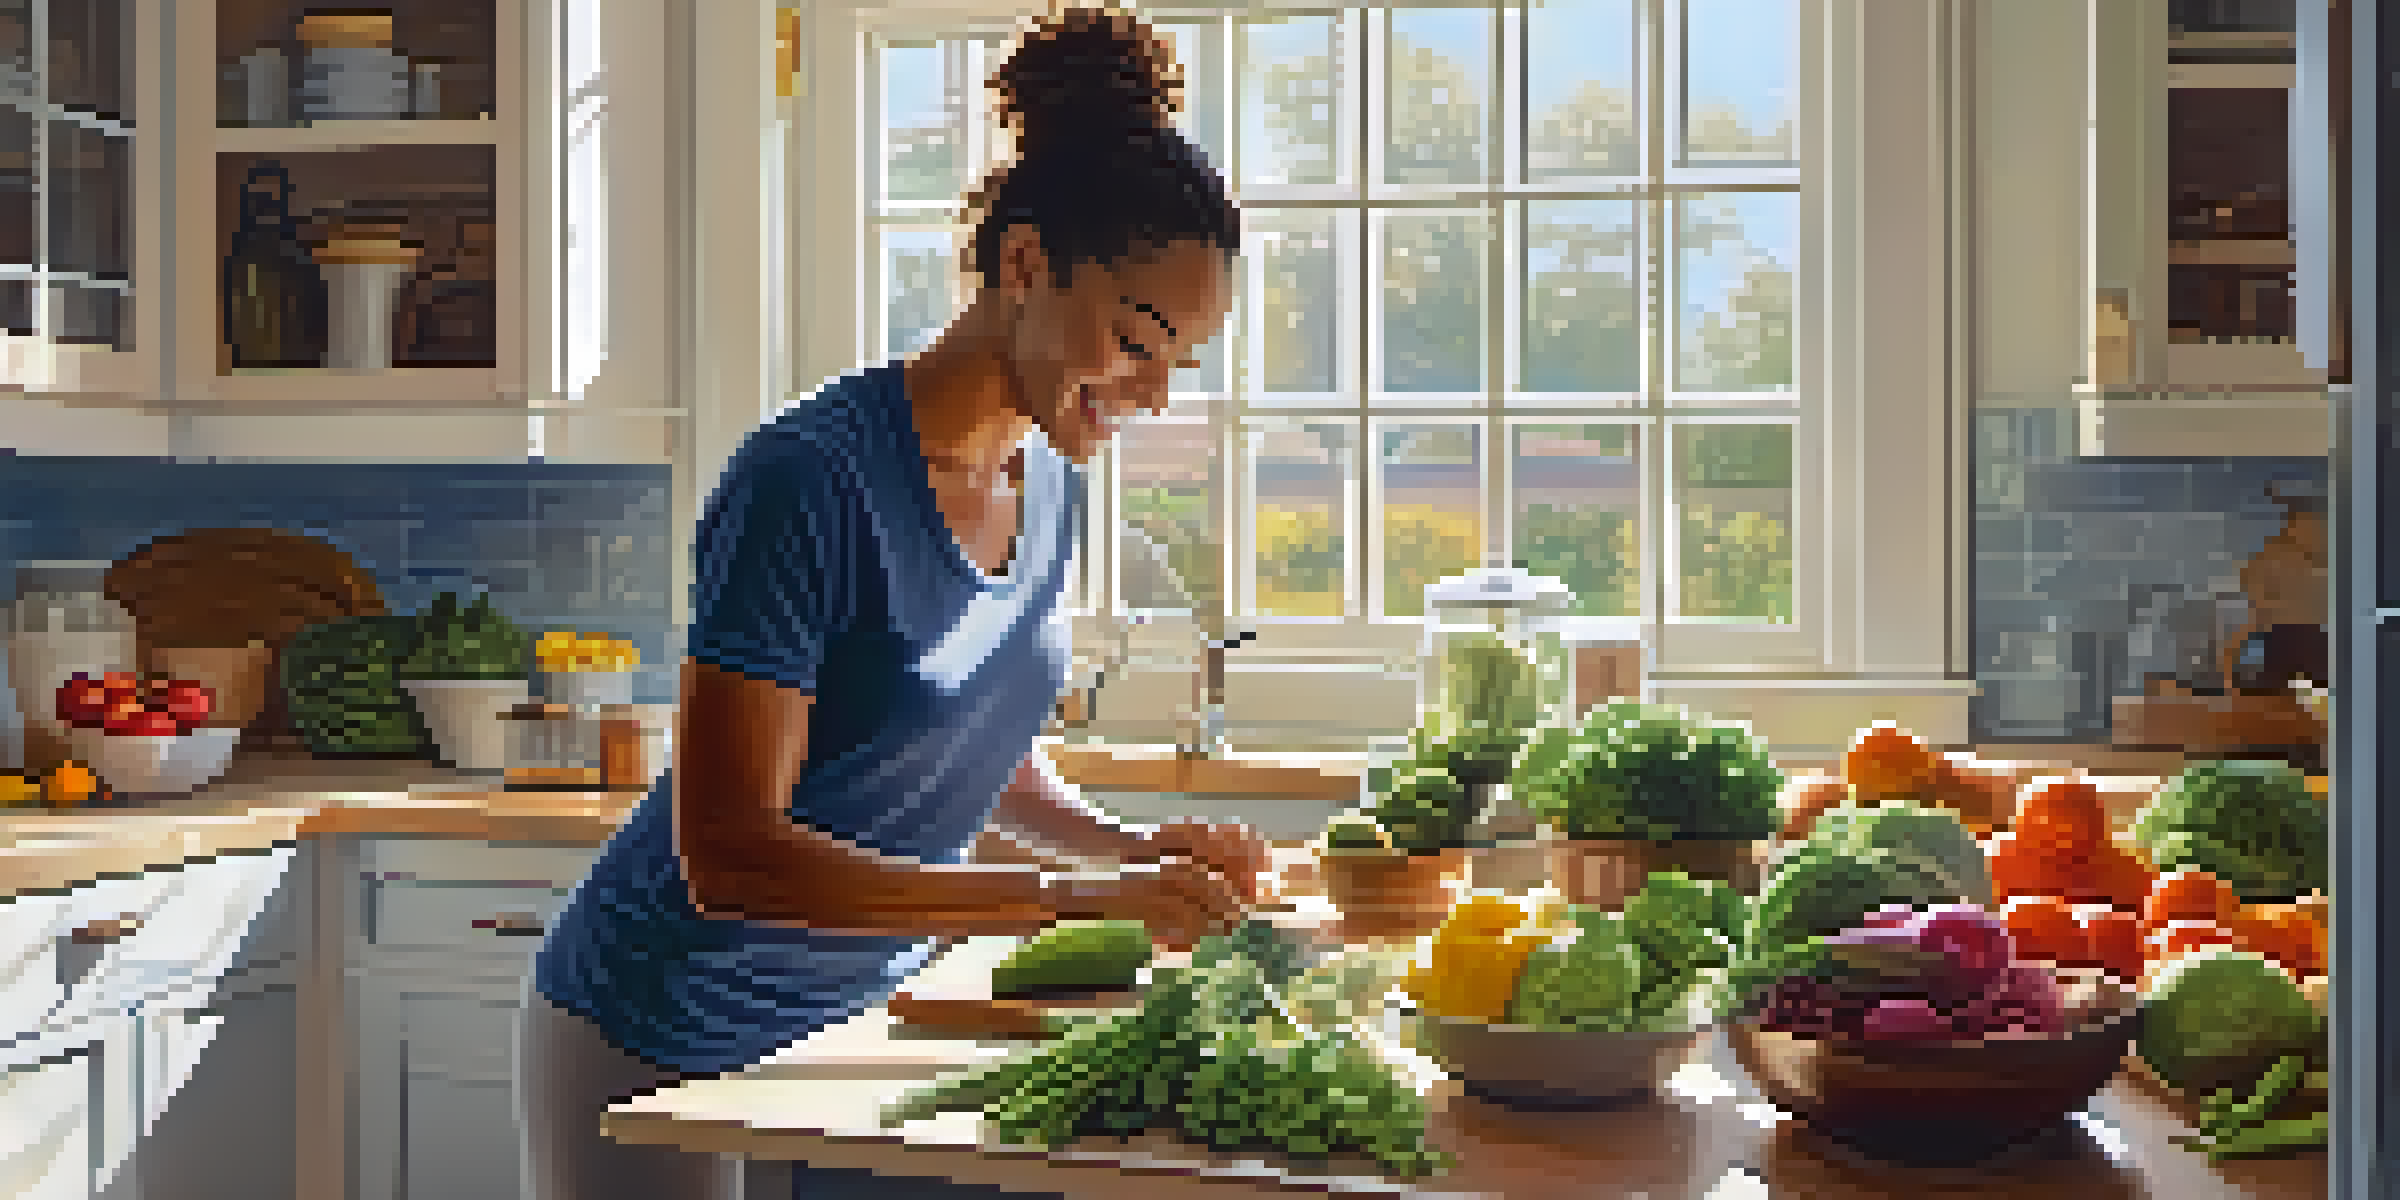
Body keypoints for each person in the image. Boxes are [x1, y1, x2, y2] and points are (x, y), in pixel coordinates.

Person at [514, 8, 1270, 1199]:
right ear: (1023, 264)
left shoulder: (1053, 488)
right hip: (661, 1029)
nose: (1155, 395)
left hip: (858, 1021)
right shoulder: (807, 482)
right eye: (1137, 340)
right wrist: (1070, 897)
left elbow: (978, 761)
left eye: (1182, 364)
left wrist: (1141, 858)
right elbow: (729, 854)